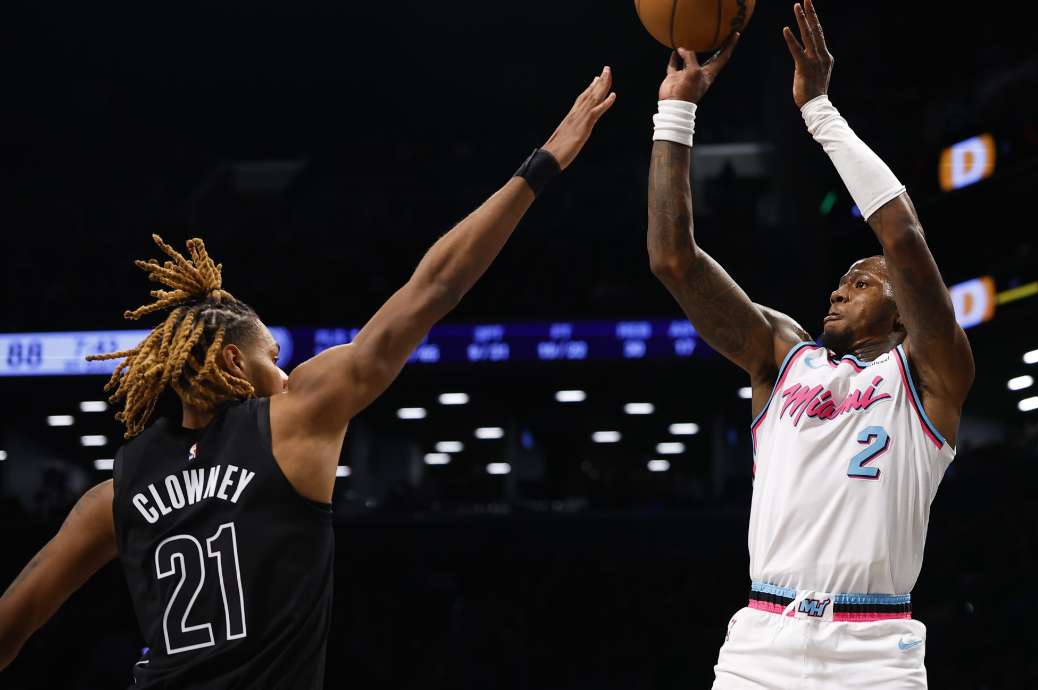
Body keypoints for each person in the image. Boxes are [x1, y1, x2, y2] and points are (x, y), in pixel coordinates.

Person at [0, 67, 617, 688]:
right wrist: (539, 168)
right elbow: (433, 287)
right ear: (232, 364)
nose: (285, 371)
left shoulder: (114, 494)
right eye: (273, 355)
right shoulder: (294, 416)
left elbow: (14, 619)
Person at [646, 2, 974, 687]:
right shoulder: (781, 355)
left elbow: (903, 239)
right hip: (763, 642)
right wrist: (675, 115)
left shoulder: (932, 379)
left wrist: (820, 113)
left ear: (904, 314)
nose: (838, 289)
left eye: (860, 281)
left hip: (874, 646)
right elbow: (673, 260)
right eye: (838, 281)